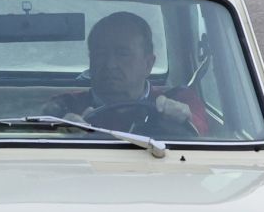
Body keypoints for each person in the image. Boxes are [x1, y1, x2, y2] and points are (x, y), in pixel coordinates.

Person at [46, 11, 204, 135]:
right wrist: (60, 132)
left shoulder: (179, 100)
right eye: (100, 54)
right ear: (91, 60)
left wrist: (184, 120)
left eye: (123, 53)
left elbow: (205, 135)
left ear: (148, 64)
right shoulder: (66, 105)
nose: (110, 64)